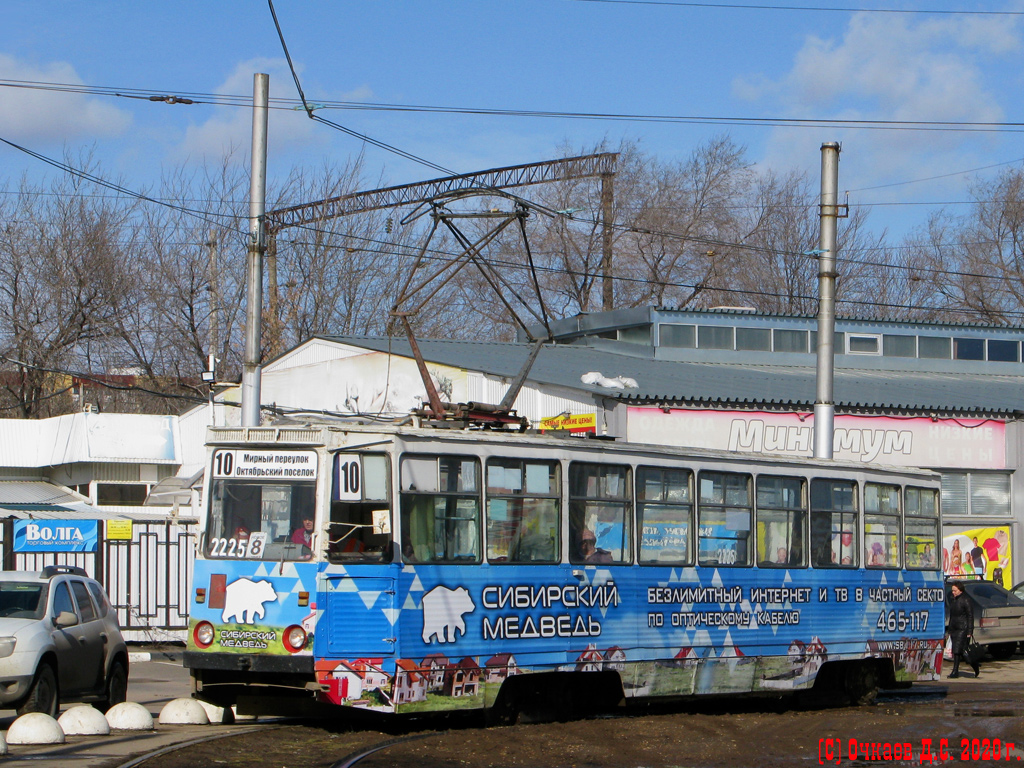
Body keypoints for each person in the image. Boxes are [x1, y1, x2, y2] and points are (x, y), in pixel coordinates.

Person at [947, 582, 979, 679]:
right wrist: (950, 629)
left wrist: (970, 631)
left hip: (962, 628)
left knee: (962, 651)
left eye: (955, 590)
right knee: (956, 651)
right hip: (954, 628)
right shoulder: (954, 600)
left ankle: (973, 666)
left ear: (960, 590)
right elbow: (952, 616)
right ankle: (956, 671)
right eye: (952, 590)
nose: (953, 592)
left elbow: (970, 616)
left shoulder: (966, 600)